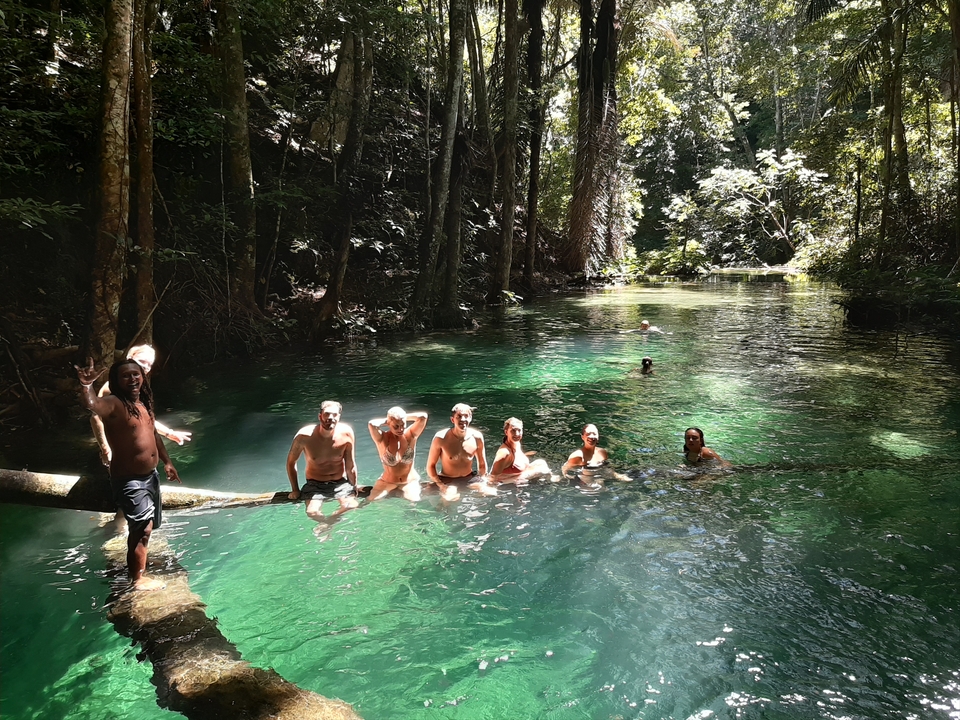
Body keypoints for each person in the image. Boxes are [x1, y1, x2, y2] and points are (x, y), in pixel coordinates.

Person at [77, 357, 181, 591]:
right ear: (116, 381)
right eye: (126, 375)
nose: (133, 378)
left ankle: (139, 562)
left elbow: (153, 436)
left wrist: (167, 462)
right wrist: (86, 386)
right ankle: (137, 579)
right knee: (141, 527)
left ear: (142, 377)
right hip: (130, 479)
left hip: (151, 476)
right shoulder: (114, 403)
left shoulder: (142, 402)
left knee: (149, 525)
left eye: (136, 374)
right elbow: (92, 404)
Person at [91, 344, 192, 468]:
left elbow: (144, 418)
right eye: (141, 361)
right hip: (118, 454)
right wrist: (106, 449)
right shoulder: (112, 388)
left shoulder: (136, 389)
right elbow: (96, 418)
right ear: (129, 359)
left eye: (149, 364)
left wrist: (169, 433)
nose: (145, 366)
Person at [286, 401, 359, 532]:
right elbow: (291, 462)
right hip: (315, 484)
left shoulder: (347, 433)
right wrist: (295, 490)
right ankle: (327, 523)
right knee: (312, 512)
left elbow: (350, 464)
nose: (330, 418)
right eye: (327, 414)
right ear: (320, 416)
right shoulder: (304, 436)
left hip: (339, 483)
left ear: (339, 417)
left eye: (334, 415)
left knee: (352, 505)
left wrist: (354, 486)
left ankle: (328, 523)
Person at [425, 403, 495, 500]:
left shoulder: (477, 437)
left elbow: (482, 464)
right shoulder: (441, 438)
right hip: (447, 479)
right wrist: (440, 485)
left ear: (470, 418)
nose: (463, 419)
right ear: (452, 420)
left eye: (466, 416)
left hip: (468, 478)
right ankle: (442, 508)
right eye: (459, 416)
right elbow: (430, 466)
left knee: (492, 493)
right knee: (452, 496)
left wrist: (483, 480)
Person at [367, 407, 429, 502]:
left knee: (414, 502)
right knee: (369, 501)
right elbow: (372, 424)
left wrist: (402, 417)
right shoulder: (382, 438)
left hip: (409, 481)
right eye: (396, 426)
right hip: (387, 481)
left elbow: (423, 417)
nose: (400, 429)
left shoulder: (411, 435)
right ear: (388, 424)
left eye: (403, 425)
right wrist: (388, 420)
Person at [490, 417, 554, 484]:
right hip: (507, 483)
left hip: (519, 475)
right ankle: (552, 484)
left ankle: (551, 479)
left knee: (541, 462)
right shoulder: (504, 453)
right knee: (543, 471)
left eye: (519, 430)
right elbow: (492, 478)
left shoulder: (516, 443)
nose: (517, 434)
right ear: (506, 432)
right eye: (513, 430)